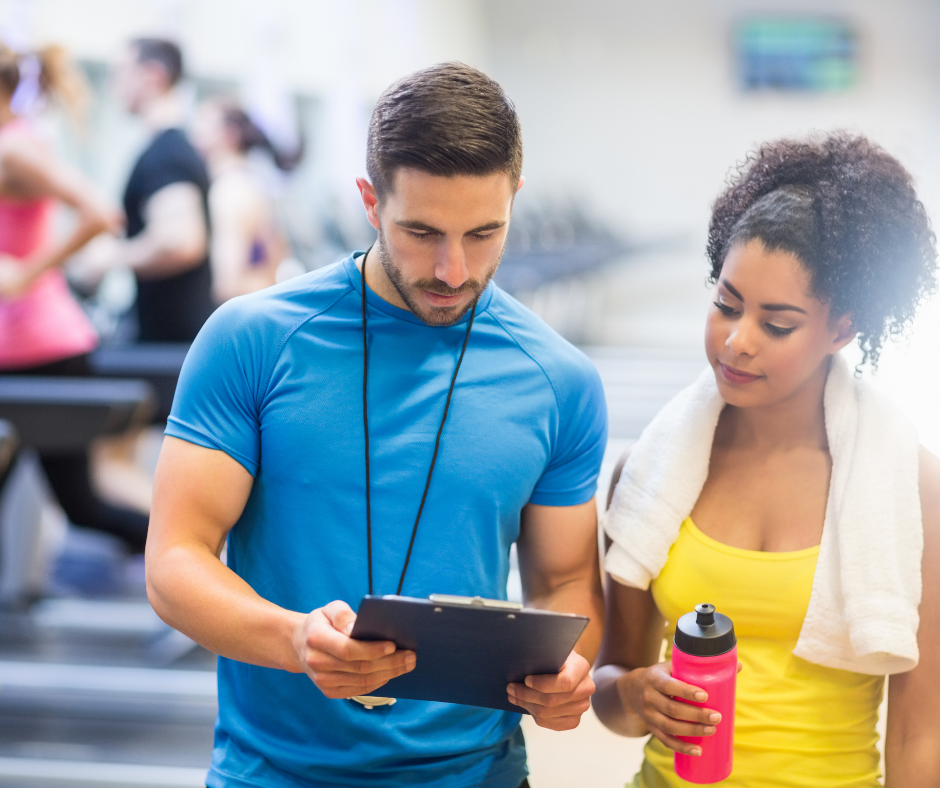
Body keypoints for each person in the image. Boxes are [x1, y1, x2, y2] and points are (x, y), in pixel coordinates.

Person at [146, 63, 607, 788]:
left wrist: (568, 670)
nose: (454, 270)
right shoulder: (253, 340)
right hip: (275, 771)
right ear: (369, 201)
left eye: (484, 233)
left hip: (476, 772)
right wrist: (295, 639)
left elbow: (568, 579)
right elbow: (175, 562)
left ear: (515, 197)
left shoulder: (561, 380)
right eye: (421, 232)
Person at [592, 133, 940, 786]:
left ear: (842, 328)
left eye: (777, 324)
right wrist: (635, 694)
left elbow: (921, 732)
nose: (737, 341)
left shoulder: (909, 486)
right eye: (725, 304)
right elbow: (612, 686)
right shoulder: (647, 472)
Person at [0, 43, 151, 551]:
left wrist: (27, 272)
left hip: (39, 349)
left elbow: (100, 212)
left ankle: (204, 570)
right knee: (79, 505)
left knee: (82, 505)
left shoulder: (14, 149)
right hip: (21, 348)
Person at [78, 37, 212, 342]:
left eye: (119, 73)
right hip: (170, 336)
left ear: (152, 75)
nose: (113, 85)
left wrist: (108, 257)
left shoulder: (167, 153)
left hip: (173, 343)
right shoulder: (169, 148)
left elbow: (181, 242)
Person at [191, 97, 296, 304]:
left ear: (230, 135)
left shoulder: (230, 190)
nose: (194, 133)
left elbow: (227, 286)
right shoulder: (250, 184)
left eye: (203, 123)